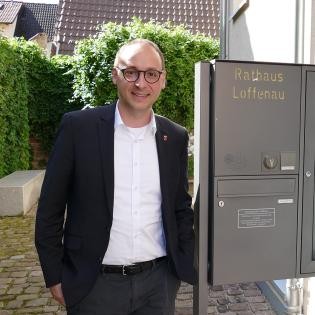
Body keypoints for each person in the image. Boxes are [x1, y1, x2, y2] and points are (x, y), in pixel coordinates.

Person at [35, 38, 196, 315]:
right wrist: (55, 274)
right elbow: (50, 207)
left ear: (163, 80)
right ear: (115, 75)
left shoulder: (175, 137)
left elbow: (180, 207)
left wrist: (183, 263)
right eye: (130, 72)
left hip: (158, 284)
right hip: (94, 285)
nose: (141, 83)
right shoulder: (78, 128)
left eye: (151, 74)